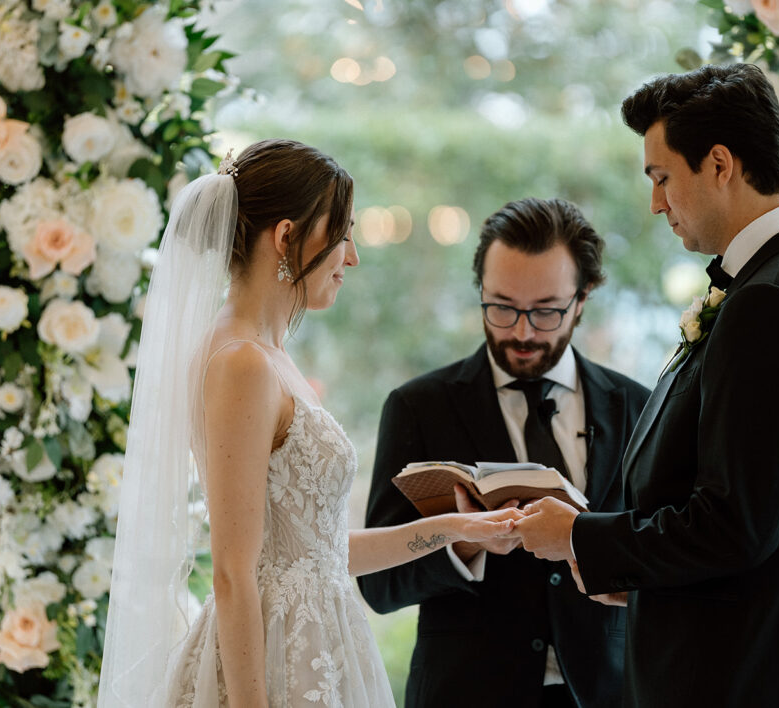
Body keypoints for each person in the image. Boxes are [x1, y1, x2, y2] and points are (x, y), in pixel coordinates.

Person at [97, 139, 520, 708]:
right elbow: (231, 572)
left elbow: (316, 554)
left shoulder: (268, 354)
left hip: (319, 646)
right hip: (272, 666)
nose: (352, 256)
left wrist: (461, 529)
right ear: (286, 236)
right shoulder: (240, 363)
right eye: (343, 234)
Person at [514, 64, 779, 707]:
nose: (655, 202)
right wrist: (627, 566)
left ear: (721, 164)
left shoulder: (773, 300)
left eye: (662, 177)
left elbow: (735, 524)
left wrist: (577, 537)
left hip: (737, 677)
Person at [358, 197, 650, 707]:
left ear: (581, 300)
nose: (521, 331)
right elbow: (379, 585)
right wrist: (462, 543)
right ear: (480, 293)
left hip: (608, 693)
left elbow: (662, 554)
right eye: (502, 307)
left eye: (546, 311)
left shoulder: (638, 407)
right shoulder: (418, 407)